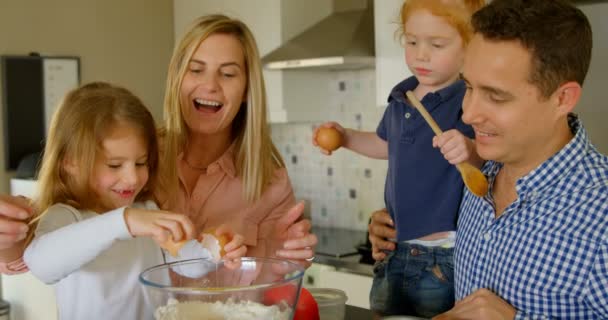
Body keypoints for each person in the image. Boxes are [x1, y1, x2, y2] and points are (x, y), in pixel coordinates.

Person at [0, 14, 317, 274]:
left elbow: (274, 286)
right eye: (196, 69)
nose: (210, 85)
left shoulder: (270, 180)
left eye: (228, 74)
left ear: (247, 89)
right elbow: (36, 255)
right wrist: (9, 239)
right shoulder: (135, 160)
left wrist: (279, 257)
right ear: (177, 77)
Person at [430, 0, 608, 319]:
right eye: (469, 87)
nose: (468, 113)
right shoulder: (479, 173)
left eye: (496, 96)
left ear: (562, 99)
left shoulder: (601, 216)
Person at [313, 0, 484, 317]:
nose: (421, 54)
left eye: (437, 44)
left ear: (470, 47)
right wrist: (346, 137)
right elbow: (384, 145)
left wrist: (470, 149)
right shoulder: (400, 100)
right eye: (412, 41)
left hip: (441, 256)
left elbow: (488, 162)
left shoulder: (468, 100)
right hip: (393, 251)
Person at [22, 82, 247, 320]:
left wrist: (214, 250)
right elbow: (41, 264)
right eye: (115, 165)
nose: (132, 178)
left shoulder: (146, 212)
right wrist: (124, 222)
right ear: (71, 162)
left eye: (141, 163)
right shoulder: (66, 216)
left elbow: (187, 263)